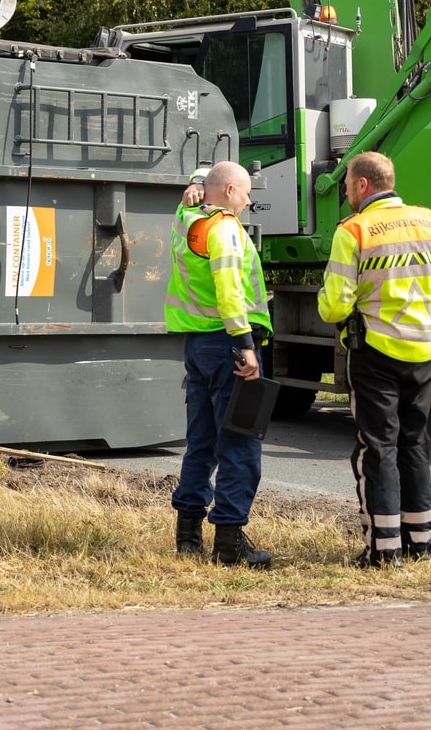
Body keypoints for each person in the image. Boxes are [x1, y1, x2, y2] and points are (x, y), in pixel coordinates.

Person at [318, 150, 431, 568]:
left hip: (375, 354)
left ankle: (385, 551)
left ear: (363, 185)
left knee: (378, 450)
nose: (345, 189)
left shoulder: (355, 231)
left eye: (347, 182)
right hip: (425, 354)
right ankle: (421, 544)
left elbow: (333, 307)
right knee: (416, 446)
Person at [165, 161, 273, 568]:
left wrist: (194, 184)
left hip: (198, 346)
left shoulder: (186, 220)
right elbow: (230, 290)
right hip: (229, 346)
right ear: (229, 191)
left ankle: (188, 537)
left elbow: (195, 192)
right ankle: (229, 543)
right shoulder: (226, 228)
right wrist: (245, 344)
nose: (250, 199)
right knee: (240, 444)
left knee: (202, 443)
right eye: (246, 192)